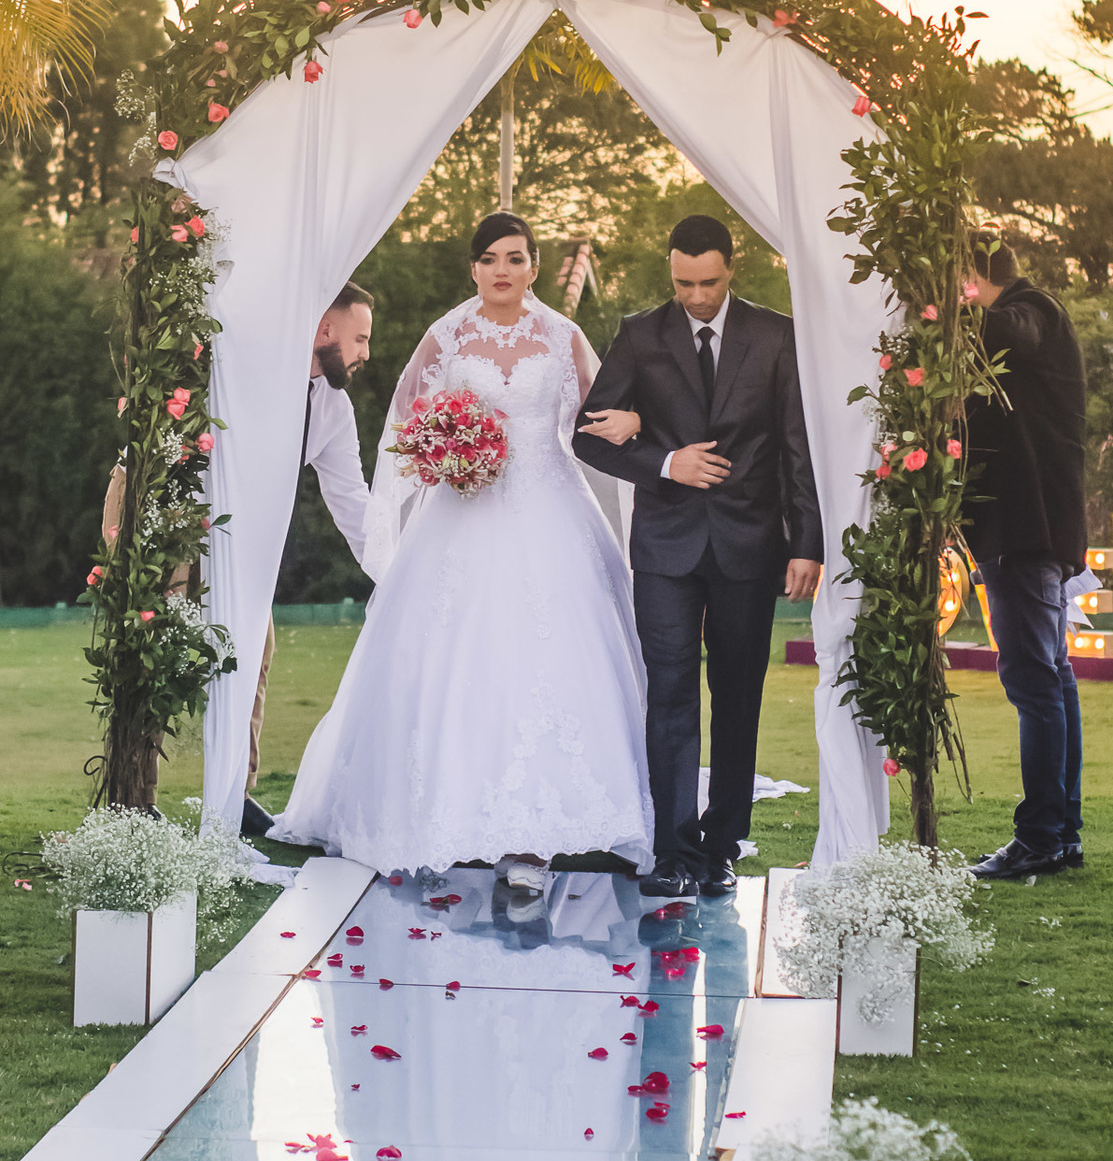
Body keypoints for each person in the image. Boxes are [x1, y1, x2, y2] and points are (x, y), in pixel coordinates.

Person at [268, 214, 654, 888]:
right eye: (489, 259)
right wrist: (444, 453)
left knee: (548, 658)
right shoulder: (446, 336)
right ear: (473, 268)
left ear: (534, 266)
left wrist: (637, 419)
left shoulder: (563, 336)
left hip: (551, 512)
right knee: (457, 659)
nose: (501, 270)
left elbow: (600, 420)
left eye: (515, 258)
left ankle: (537, 830)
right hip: (462, 513)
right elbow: (408, 425)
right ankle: (455, 812)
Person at [572, 214, 822, 900]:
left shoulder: (775, 335)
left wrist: (806, 542)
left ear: (731, 269)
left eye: (708, 282)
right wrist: (663, 462)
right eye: (684, 283)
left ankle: (722, 848)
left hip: (751, 545)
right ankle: (673, 851)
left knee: (738, 697)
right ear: (671, 272)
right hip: (665, 548)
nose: (697, 296)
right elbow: (587, 437)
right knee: (672, 695)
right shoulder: (639, 335)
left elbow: (797, 446)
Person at [963, 233, 1087, 881]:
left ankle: (1040, 836)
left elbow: (1011, 331)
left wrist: (950, 308)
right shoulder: (1033, 318)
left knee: (1033, 680)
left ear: (971, 277)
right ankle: (1060, 832)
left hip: (1025, 531)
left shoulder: (1034, 311)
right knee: (1052, 677)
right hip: (1034, 531)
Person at [242, 283, 376, 836]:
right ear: (325, 331)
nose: (365, 353)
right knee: (157, 653)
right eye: (359, 338)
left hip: (243, 544)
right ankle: (136, 797)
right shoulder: (248, 368)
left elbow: (353, 501)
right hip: (172, 518)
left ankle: (234, 796)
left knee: (253, 656)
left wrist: (395, 574)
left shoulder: (333, 407)